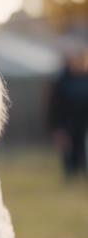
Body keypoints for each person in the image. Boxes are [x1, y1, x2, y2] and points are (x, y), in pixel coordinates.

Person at [48, 48, 88, 182]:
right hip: (67, 125)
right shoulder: (62, 82)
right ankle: (71, 178)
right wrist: (57, 128)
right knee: (68, 153)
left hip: (84, 125)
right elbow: (54, 107)